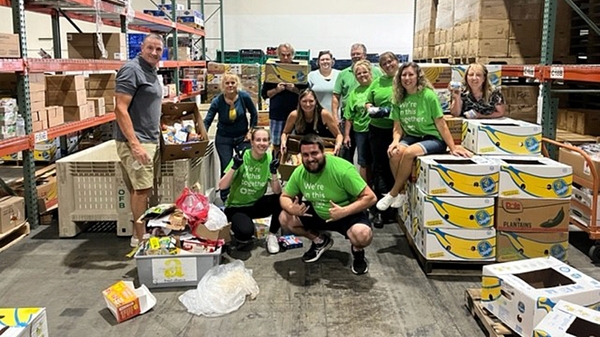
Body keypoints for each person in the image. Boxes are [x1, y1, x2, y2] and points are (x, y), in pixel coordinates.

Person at [377, 62, 472, 212]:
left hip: (433, 138)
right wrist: (395, 142)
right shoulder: (398, 98)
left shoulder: (428, 95)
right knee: (394, 153)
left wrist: (452, 147)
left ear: (418, 77)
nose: (407, 78)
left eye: (410, 74)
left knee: (408, 153)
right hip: (413, 136)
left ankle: (393, 192)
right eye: (404, 75)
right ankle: (401, 193)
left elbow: (441, 124)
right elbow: (397, 126)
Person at [279, 134, 377, 275]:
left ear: (323, 152)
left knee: (362, 235)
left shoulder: (342, 169)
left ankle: (358, 251)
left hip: (346, 213)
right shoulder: (300, 172)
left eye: (314, 153)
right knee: (285, 217)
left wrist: (344, 211)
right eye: (305, 155)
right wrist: (291, 208)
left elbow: (370, 197)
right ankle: (320, 241)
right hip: (319, 211)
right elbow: (284, 196)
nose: (310, 158)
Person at [114, 33, 164, 248]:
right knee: (141, 189)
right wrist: (134, 144)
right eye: (150, 48)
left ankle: (145, 229)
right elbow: (120, 108)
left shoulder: (151, 71)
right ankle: (140, 237)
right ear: (141, 48)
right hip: (138, 141)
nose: (154, 52)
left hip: (149, 138)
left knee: (143, 188)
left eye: (158, 49)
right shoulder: (132, 70)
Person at [219, 128, 283, 255]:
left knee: (282, 199)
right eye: (258, 140)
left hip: (255, 204)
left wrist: (274, 173)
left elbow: (277, 191)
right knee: (245, 233)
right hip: (237, 207)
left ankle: (272, 235)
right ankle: (239, 226)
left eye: (265, 140)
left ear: (269, 143)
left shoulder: (269, 158)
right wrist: (234, 167)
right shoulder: (243, 157)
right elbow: (222, 186)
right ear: (252, 142)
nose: (261, 143)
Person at [203, 73, 258, 201]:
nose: (230, 85)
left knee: (244, 165)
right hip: (224, 138)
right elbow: (208, 119)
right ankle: (225, 197)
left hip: (242, 137)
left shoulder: (244, 97)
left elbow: (254, 114)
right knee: (227, 166)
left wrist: (251, 131)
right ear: (223, 85)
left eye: (233, 82)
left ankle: (244, 194)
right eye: (227, 83)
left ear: (237, 84)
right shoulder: (218, 101)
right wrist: (203, 134)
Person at [364, 52, 400, 227]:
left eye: (390, 61)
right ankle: (381, 210)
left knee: (396, 169)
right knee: (379, 168)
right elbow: (368, 101)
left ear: (396, 62)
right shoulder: (377, 82)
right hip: (377, 130)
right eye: (384, 63)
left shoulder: (403, 79)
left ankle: (395, 208)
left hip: (398, 131)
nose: (388, 65)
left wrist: (387, 111)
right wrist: (371, 108)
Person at [333, 43, 383, 164]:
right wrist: (335, 117)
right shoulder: (343, 74)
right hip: (348, 118)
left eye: (358, 54)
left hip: (370, 119)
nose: (355, 56)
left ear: (365, 55)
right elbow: (336, 96)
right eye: (353, 54)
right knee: (347, 152)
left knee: (367, 156)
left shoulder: (376, 72)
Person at [261, 43, 309, 159]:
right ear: (278, 55)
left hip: (296, 115)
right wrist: (277, 90)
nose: (286, 58)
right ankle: (276, 169)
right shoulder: (272, 70)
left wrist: (295, 89)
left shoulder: (299, 71)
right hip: (277, 114)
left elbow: (307, 93)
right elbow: (264, 94)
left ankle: (293, 169)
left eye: (288, 55)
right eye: (283, 55)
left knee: (295, 143)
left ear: (293, 55)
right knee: (277, 144)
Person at [280, 88, 343, 155]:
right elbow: (285, 133)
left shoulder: (324, 114)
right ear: (299, 102)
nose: (308, 104)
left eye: (311, 101)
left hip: (323, 150)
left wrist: (338, 144)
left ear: (316, 101)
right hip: (302, 151)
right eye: (304, 101)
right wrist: (283, 142)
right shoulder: (294, 115)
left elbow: (338, 135)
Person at [343, 60, 373, 183]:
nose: (362, 75)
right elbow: (349, 116)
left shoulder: (375, 87)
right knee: (364, 162)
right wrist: (346, 135)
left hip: (377, 130)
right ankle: (366, 190)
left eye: (364, 72)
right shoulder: (354, 93)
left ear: (370, 72)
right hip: (360, 131)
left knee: (377, 161)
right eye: (358, 74)